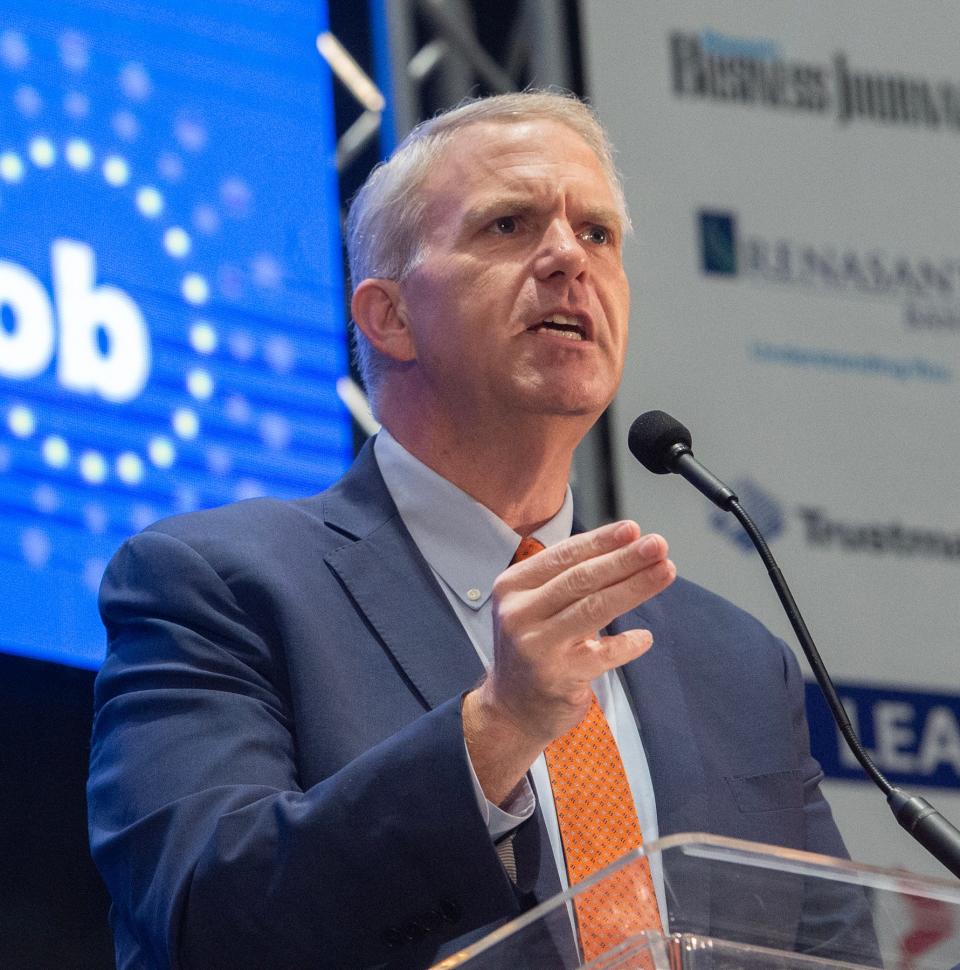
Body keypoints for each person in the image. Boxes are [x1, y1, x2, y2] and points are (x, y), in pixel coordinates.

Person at [87, 91, 871, 970]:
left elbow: (835, 953)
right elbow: (201, 920)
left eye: (598, 234)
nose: (569, 258)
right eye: (509, 225)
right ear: (388, 315)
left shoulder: (737, 662)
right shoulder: (220, 585)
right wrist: (493, 731)